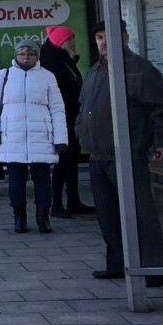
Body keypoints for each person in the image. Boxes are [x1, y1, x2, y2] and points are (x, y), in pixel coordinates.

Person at [76, 20, 163, 286]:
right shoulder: (96, 70)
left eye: (108, 37)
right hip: (98, 155)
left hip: (127, 153)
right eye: (99, 37)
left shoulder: (138, 69)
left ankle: (153, 271)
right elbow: (84, 107)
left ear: (124, 39)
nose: (103, 42)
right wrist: (81, 131)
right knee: (108, 214)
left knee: (140, 213)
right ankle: (118, 264)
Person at [0, 37, 68, 234]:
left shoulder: (47, 76)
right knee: (16, 179)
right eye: (22, 53)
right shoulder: (3, 75)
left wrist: (61, 138)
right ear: (16, 55)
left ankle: (43, 218)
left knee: (42, 179)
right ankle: (19, 218)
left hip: (41, 135)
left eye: (30, 53)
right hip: (12, 136)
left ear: (37, 56)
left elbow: (57, 109)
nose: (26, 57)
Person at [39, 25, 93, 217]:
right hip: (63, 118)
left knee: (70, 160)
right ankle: (58, 205)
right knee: (63, 161)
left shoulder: (63, 61)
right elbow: (62, 94)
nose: (73, 42)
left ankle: (73, 201)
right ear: (61, 42)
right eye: (70, 39)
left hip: (70, 117)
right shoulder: (56, 64)